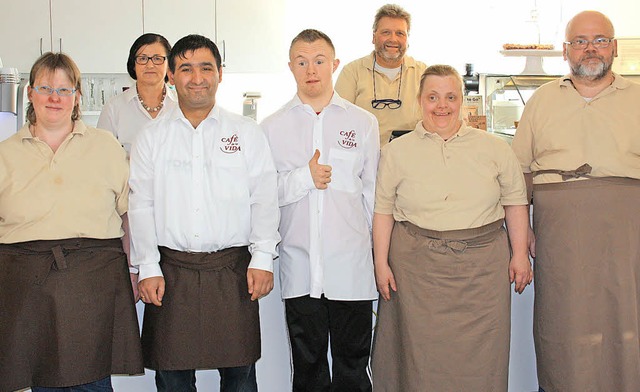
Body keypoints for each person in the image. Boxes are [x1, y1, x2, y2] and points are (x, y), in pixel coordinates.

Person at [128, 34, 280, 392]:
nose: (197, 78)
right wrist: (147, 266)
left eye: (206, 68)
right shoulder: (151, 137)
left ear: (220, 74)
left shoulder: (246, 133)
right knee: (172, 376)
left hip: (232, 270)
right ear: (171, 76)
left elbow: (264, 198)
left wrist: (263, 258)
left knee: (240, 375)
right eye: (185, 69)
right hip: (171, 272)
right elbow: (141, 205)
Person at [371, 64, 532, 391]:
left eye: (450, 97)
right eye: (432, 97)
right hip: (416, 271)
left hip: (482, 273)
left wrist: (519, 256)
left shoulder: (496, 149)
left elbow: (516, 202)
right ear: (420, 101)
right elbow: (383, 211)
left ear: (462, 101)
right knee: (417, 360)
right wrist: (380, 263)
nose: (441, 105)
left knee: (482, 359)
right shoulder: (394, 152)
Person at [511, 10, 640, 392]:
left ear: (614, 46)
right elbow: (518, 175)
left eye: (600, 40)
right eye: (580, 42)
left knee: (625, 319)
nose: (590, 49)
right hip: (558, 232)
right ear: (566, 51)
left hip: (627, 231)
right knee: (562, 321)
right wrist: (523, 234)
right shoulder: (542, 100)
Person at [0, 52, 143, 391]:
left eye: (64, 90)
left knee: (92, 381)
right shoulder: (5, 153)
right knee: (39, 378)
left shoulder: (105, 147)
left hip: (93, 280)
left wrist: (135, 269)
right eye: (46, 87)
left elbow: (130, 215)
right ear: (31, 93)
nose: (54, 97)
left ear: (77, 97)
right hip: (23, 281)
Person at [261, 29, 379, 391]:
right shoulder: (271, 127)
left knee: (353, 369)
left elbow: (372, 198)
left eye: (318, 61)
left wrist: (380, 258)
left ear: (334, 65)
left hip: (352, 271)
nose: (310, 69)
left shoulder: (363, 123)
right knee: (308, 371)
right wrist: (303, 177)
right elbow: (263, 196)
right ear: (290, 67)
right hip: (299, 270)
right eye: (301, 62)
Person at [335, 3, 426, 146]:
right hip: (362, 160)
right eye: (386, 32)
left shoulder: (423, 74)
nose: (393, 39)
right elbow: (337, 122)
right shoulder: (352, 72)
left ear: (408, 40)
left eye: (400, 33)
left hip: (410, 160)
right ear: (374, 37)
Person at [97, 33, 178, 154]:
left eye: (157, 59)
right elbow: (102, 156)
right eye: (142, 58)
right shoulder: (114, 108)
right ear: (133, 65)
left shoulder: (182, 105)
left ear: (169, 64)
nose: (150, 65)